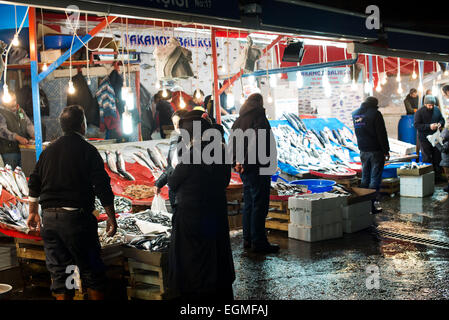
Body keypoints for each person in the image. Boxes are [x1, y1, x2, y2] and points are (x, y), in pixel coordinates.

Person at [26, 105, 117, 300]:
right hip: (76, 222)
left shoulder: (48, 151)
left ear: (62, 127)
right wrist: (111, 217)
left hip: (50, 220)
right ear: (82, 126)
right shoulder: (88, 150)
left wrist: (33, 211)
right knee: (92, 272)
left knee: (64, 272)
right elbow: (102, 187)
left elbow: (33, 181)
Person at [167, 110, 235, 301]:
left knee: (195, 261)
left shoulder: (193, 153)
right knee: (215, 256)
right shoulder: (220, 150)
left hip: (192, 217)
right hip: (215, 213)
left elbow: (173, 182)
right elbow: (225, 181)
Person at [231, 93, 279, 254]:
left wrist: (235, 163)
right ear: (259, 103)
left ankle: (248, 239)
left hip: (245, 169)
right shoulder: (259, 117)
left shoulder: (239, 120)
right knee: (259, 205)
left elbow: (232, 142)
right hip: (258, 167)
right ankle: (259, 242)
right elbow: (257, 141)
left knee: (250, 204)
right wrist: (244, 161)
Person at [352, 96, 390, 214]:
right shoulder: (376, 114)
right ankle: (372, 204)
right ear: (375, 104)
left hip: (363, 150)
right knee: (375, 178)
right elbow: (381, 134)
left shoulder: (355, 114)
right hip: (375, 151)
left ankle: (363, 204)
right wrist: (386, 150)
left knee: (365, 177)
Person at [155, 109, 189, 209]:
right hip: (175, 193)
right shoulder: (175, 141)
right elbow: (171, 167)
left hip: (187, 193)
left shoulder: (194, 143)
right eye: (174, 124)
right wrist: (159, 183)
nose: (177, 127)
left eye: (179, 123)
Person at [414, 95, 445, 181]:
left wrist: (440, 124)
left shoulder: (436, 110)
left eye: (432, 105)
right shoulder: (419, 112)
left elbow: (442, 119)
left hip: (435, 138)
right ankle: (429, 178)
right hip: (424, 139)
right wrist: (429, 126)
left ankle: (438, 177)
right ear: (425, 104)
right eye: (429, 105)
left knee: (437, 156)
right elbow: (417, 125)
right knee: (427, 157)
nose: (431, 107)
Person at [0, 91, 35, 168]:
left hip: (23, 149)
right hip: (9, 152)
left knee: (23, 174)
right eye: (11, 101)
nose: (14, 102)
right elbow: (2, 131)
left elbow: (28, 124)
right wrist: (18, 137)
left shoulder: (20, 111)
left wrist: (33, 134)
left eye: (15, 100)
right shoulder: (1, 112)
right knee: (12, 175)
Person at [439, 127, 449, 192]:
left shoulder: (447, 143)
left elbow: (443, 149)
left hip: (447, 161)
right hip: (446, 160)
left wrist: (436, 143)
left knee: (448, 174)